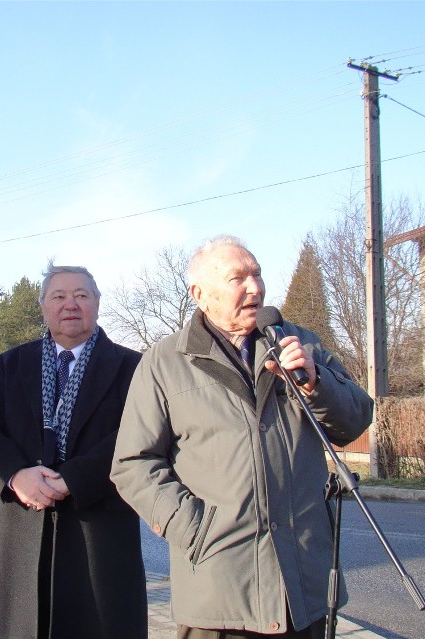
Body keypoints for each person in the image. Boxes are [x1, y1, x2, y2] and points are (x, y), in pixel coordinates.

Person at [111, 235, 373, 639]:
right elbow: (133, 464)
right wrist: (193, 529)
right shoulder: (164, 363)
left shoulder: (301, 345)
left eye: (257, 274)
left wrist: (315, 384)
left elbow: (355, 420)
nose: (255, 287)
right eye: (238, 278)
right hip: (219, 590)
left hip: (301, 585)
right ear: (200, 294)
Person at [0, 263, 147, 639]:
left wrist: (73, 478)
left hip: (97, 526)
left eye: (82, 295)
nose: (71, 305)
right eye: (59, 296)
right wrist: (17, 475)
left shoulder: (133, 367)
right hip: (21, 525)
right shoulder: (14, 362)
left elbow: (135, 435)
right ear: (43, 307)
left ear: (97, 304)